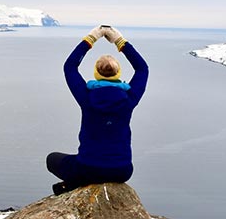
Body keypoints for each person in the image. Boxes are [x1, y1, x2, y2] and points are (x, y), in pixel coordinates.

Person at [46, 25, 149, 195]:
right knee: (83, 165)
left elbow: (70, 67)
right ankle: (72, 184)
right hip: (122, 170)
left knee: (52, 159)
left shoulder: (87, 97)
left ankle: (73, 184)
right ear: (118, 73)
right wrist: (119, 41)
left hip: (88, 168)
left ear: (96, 73)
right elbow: (142, 68)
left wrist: (91, 38)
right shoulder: (129, 98)